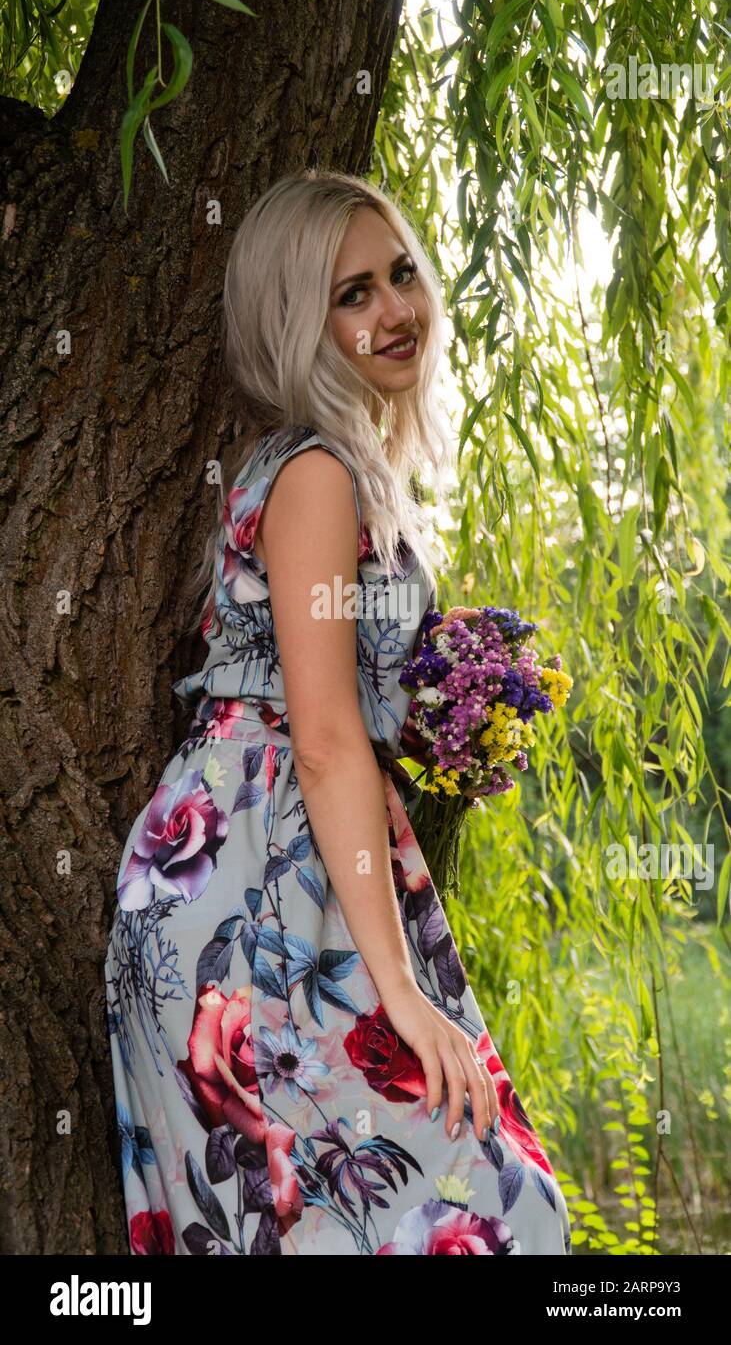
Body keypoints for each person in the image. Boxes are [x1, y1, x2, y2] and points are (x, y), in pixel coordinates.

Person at [104, 169, 572, 1256]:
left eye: (399, 273)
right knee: (494, 1209)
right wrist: (402, 995)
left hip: (291, 865)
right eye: (350, 293)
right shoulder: (316, 474)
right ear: (294, 322)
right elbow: (319, 737)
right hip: (249, 893)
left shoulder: (344, 467)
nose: (393, 309)